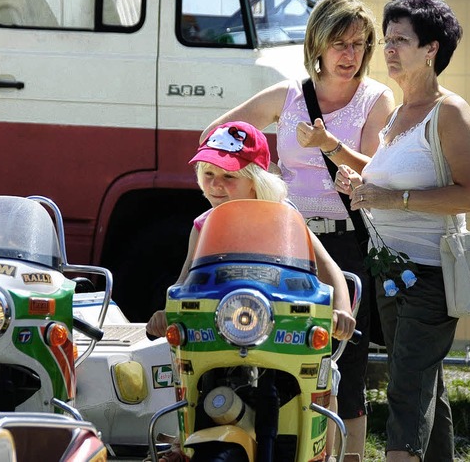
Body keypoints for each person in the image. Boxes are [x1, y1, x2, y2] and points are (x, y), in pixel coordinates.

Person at [199, 0, 395, 458]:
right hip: (281, 243)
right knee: (267, 354)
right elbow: (213, 139)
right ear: (318, 45)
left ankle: (346, 455)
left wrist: (335, 151)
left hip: (346, 241)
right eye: (340, 44)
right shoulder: (289, 95)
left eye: (360, 45)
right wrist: (255, 179)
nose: (350, 55)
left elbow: (380, 172)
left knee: (346, 363)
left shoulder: (375, 97)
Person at [146, 120, 357, 462]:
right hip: (219, 329)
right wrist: (166, 310)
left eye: (229, 176)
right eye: (208, 174)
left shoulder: (284, 216)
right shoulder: (203, 226)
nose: (216, 185)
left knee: (326, 374)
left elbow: (329, 267)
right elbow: (184, 282)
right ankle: (181, 443)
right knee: (176, 367)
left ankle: (321, 454)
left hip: (277, 328)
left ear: (256, 180)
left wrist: (342, 311)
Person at [335, 0, 470, 461]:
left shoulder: (450, 112)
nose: (389, 49)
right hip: (392, 271)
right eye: (389, 39)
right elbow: (391, 179)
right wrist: (359, 180)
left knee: (405, 390)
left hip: (430, 276)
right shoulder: (401, 113)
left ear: (431, 49)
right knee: (424, 386)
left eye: (401, 39)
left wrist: (388, 198)